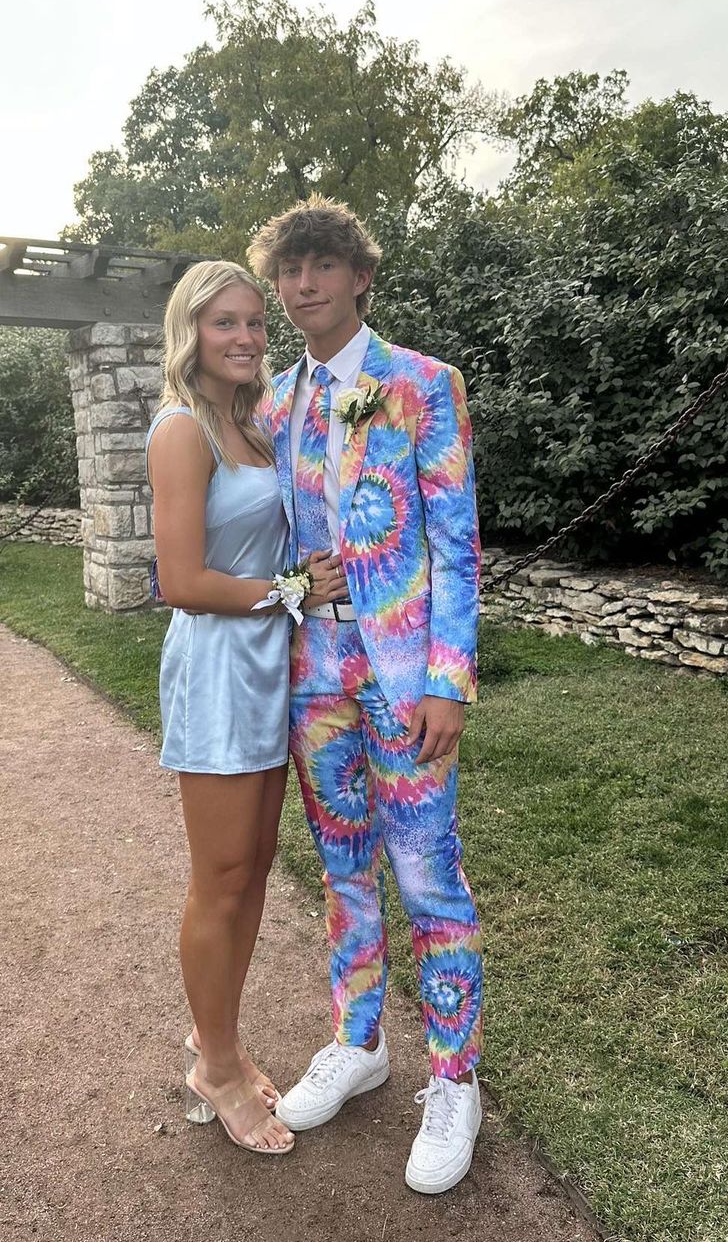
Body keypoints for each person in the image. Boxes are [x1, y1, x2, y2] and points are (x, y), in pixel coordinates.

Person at [248, 197, 485, 1193]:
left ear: (360, 276)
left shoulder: (424, 385)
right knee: (343, 873)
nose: (303, 284)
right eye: (289, 269)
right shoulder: (275, 405)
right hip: (315, 676)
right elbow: (263, 550)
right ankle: (359, 1042)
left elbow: (457, 546)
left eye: (321, 265)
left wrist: (448, 681)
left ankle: (454, 1078)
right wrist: (294, 588)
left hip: (404, 676)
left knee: (428, 878)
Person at [146, 259, 347, 1156]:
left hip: (271, 662)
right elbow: (182, 581)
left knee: (255, 868)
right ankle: (217, 1069)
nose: (246, 336)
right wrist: (293, 588)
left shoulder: (256, 422)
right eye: (224, 321)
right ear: (191, 332)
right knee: (220, 876)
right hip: (219, 670)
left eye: (255, 321)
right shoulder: (182, 430)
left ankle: (215, 1035)